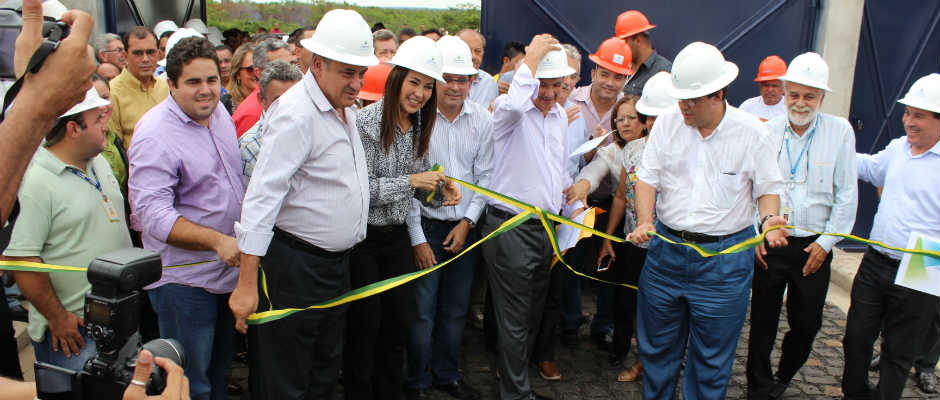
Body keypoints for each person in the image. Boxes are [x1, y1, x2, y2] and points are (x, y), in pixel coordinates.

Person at [626, 41, 788, 400]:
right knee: (656, 351)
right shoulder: (667, 124)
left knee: (711, 360)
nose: (683, 106)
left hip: (724, 262)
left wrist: (771, 221)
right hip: (666, 253)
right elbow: (648, 177)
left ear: (718, 94)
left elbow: (768, 188)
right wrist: (645, 220)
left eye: (692, 100)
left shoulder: (752, 133)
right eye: (680, 97)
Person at [228, 9, 377, 399]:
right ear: (319, 63)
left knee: (324, 371)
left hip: (332, 268)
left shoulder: (343, 108)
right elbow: (261, 198)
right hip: (296, 270)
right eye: (348, 72)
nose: (357, 83)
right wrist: (247, 285)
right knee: (287, 379)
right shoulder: (297, 114)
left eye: (361, 73)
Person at [129, 37, 244, 400]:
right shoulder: (154, 135)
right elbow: (153, 215)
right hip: (184, 283)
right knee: (189, 383)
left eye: (212, 80)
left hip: (227, 272)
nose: (206, 90)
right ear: (172, 84)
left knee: (217, 372)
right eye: (193, 82)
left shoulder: (219, 112)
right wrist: (216, 240)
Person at [347, 35, 460, 400]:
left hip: (397, 242)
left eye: (428, 86)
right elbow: (360, 194)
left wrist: (440, 191)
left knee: (397, 330)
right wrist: (413, 181)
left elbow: (420, 187)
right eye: (414, 82)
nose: (421, 93)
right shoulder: (363, 124)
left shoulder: (420, 128)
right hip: (363, 243)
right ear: (396, 78)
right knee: (364, 332)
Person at [746, 52, 858, 399]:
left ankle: (783, 376)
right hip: (772, 242)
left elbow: (847, 196)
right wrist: (757, 234)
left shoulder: (840, 132)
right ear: (784, 92)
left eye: (809, 96)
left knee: (807, 324)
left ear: (821, 98)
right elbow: (753, 189)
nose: (800, 102)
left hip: (813, 246)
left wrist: (825, 246)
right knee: (762, 323)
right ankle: (759, 389)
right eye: (794, 94)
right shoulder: (767, 132)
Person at [3, 86, 130, 377]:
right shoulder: (35, 182)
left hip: (118, 321)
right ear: (73, 128)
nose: (106, 122)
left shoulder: (98, 161)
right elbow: (22, 262)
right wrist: (57, 318)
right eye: (98, 117)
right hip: (74, 335)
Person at [484, 34, 583, 400]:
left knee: (530, 315)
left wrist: (574, 199)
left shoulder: (558, 117)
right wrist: (534, 56)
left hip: (544, 229)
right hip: (510, 227)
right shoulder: (510, 112)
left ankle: (515, 385)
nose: (548, 93)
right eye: (542, 84)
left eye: (557, 85)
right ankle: (515, 392)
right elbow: (511, 107)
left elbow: (557, 173)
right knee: (515, 317)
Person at [843, 72, 940, 400]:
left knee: (899, 351)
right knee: (856, 337)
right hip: (876, 260)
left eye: (919, 116)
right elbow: (871, 168)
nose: (909, 122)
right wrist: (834, 152)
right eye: (907, 113)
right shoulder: (899, 148)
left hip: (924, 263)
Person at [405, 35, 491, 400]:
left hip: (465, 229)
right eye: (449, 78)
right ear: (435, 80)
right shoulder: (416, 121)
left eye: (464, 79)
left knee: (455, 309)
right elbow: (406, 183)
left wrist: (467, 222)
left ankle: (446, 374)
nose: (456, 86)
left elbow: (485, 177)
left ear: (473, 81)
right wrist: (417, 238)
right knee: (421, 312)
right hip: (424, 225)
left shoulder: (482, 120)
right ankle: (417, 380)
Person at [597, 71, 676, 383]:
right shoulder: (632, 150)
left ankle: (651, 363)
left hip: (667, 247)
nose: (654, 124)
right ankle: (638, 355)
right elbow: (620, 197)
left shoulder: (681, 152)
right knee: (631, 303)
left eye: (660, 117)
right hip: (634, 242)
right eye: (650, 118)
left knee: (661, 310)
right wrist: (608, 239)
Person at [239, 60, 303, 185]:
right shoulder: (250, 146)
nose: (288, 106)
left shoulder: (317, 127)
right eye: (278, 101)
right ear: (261, 99)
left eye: (295, 98)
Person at [108, 26, 169, 150]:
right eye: (138, 53)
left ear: (158, 54)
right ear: (125, 56)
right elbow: (114, 146)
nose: (145, 59)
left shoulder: (164, 87)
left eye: (150, 52)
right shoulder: (113, 92)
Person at [233, 38, 298, 136]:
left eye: (292, 64)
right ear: (259, 73)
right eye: (279, 67)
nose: (289, 71)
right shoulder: (253, 114)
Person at [616, 10, 671, 96]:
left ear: (637, 40)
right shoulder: (619, 66)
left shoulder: (664, 71)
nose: (620, 47)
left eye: (624, 42)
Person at [739, 55, 788, 122]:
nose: (770, 90)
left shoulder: (790, 109)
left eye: (774, 86)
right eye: (766, 85)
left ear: (783, 87)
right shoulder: (747, 107)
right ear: (760, 86)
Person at [459, 29, 498, 108]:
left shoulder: (489, 83)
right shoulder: (442, 80)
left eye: (477, 51)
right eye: (468, 50)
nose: (473, 56)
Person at [226, 43, 257, 110]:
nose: (257, 73)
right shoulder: (226, 103)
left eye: (261, 68)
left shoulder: (271, 100)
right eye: (251, 69)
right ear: (237, 74)